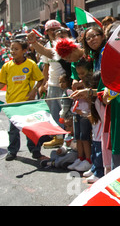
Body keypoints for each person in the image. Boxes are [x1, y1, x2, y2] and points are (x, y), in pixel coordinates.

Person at [0, 39, 47, 161]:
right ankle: (12, 151)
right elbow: (1, 83)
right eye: (11, 49)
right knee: (13, 130)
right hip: (12, 104)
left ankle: (35, 150)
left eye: (16, 49)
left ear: (24, 50)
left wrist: (34, 91)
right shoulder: (6, 66)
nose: (13, 51)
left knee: (30, 128)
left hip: (27, 103)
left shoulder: (31, 64)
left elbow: (40, 79)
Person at [27, 20, 67, 148]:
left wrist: (34, 43)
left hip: (64, 85)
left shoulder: (66, 45)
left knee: (65, 112)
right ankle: (57, 137)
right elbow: (46, 66)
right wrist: (44, 84)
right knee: (54, 112)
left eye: (58, 29)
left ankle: (66, 137)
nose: (55, 32)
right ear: (47, 32)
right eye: (52, 30)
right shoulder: (48, 45)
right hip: (52, 83)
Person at [67, 58, 93, 173]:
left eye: (83, 73)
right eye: (78, 74)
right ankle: (80, 157)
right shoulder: (77, 84)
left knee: (85, 137)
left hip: (85, 114)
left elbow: (90, 100)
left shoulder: (90, 85)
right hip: (77, 112)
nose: (80, 76)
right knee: (78, 137)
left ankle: (88, 160)